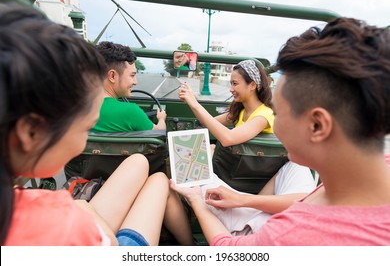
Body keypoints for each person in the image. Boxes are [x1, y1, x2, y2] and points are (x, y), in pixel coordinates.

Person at [171, 17, 390, 245]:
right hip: (260, 204)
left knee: (198, 181)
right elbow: (303, 200)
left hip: (249, 231)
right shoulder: (372, 169)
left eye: (280, 112)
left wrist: (197, 200)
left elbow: (228, 249)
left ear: (317, 125)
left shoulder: (285, 237)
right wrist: (243, 199)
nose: (274, 122)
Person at [0, 3, 193, 246]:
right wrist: (86, 214)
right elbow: (109, 244)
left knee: (138, 164)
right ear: (30, 132)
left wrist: (81, 206)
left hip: (81, 189)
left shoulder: (29, 205)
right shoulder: (65, 221)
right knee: (156, 181)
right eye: (82, 126)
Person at [177, 59, 316, 235]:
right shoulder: (240, 111)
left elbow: (228, 138)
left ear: (252, 85)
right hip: (236, 180)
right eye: (230, 84)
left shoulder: (264, 115)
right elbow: (209, 124)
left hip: (240, 184)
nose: (230, 89)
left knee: (185, 173)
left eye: (235, 84)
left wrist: (194, 103)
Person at [92, 41, 167, 132]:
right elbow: (160, 133)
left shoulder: (73, 107)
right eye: (132, 75)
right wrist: (161, 119)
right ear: (112, 76)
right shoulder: (131, 112)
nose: (135, 82)